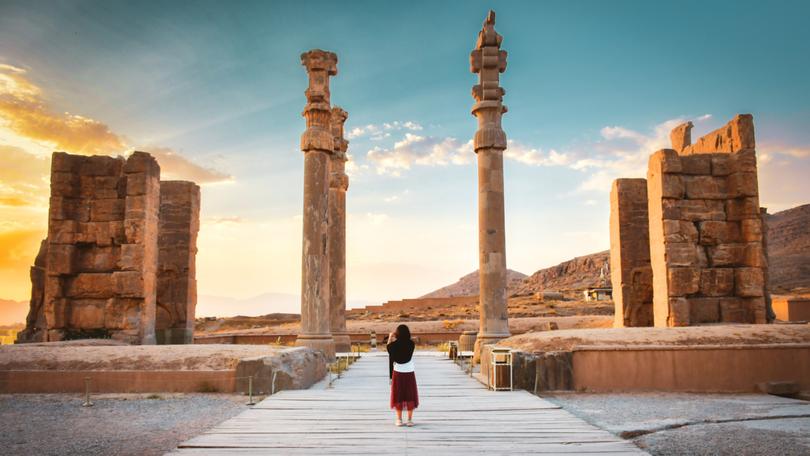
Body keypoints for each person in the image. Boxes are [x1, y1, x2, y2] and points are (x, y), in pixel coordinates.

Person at [387, 324, 418, 427]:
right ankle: (409, 420)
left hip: (398, 372)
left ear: (397, 333)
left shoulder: (393, 345)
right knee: (410, 395)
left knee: (398, 395)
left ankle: (399, 420)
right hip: (409, 371)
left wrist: (391, 337)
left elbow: (389, 348)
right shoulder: (411, 344)